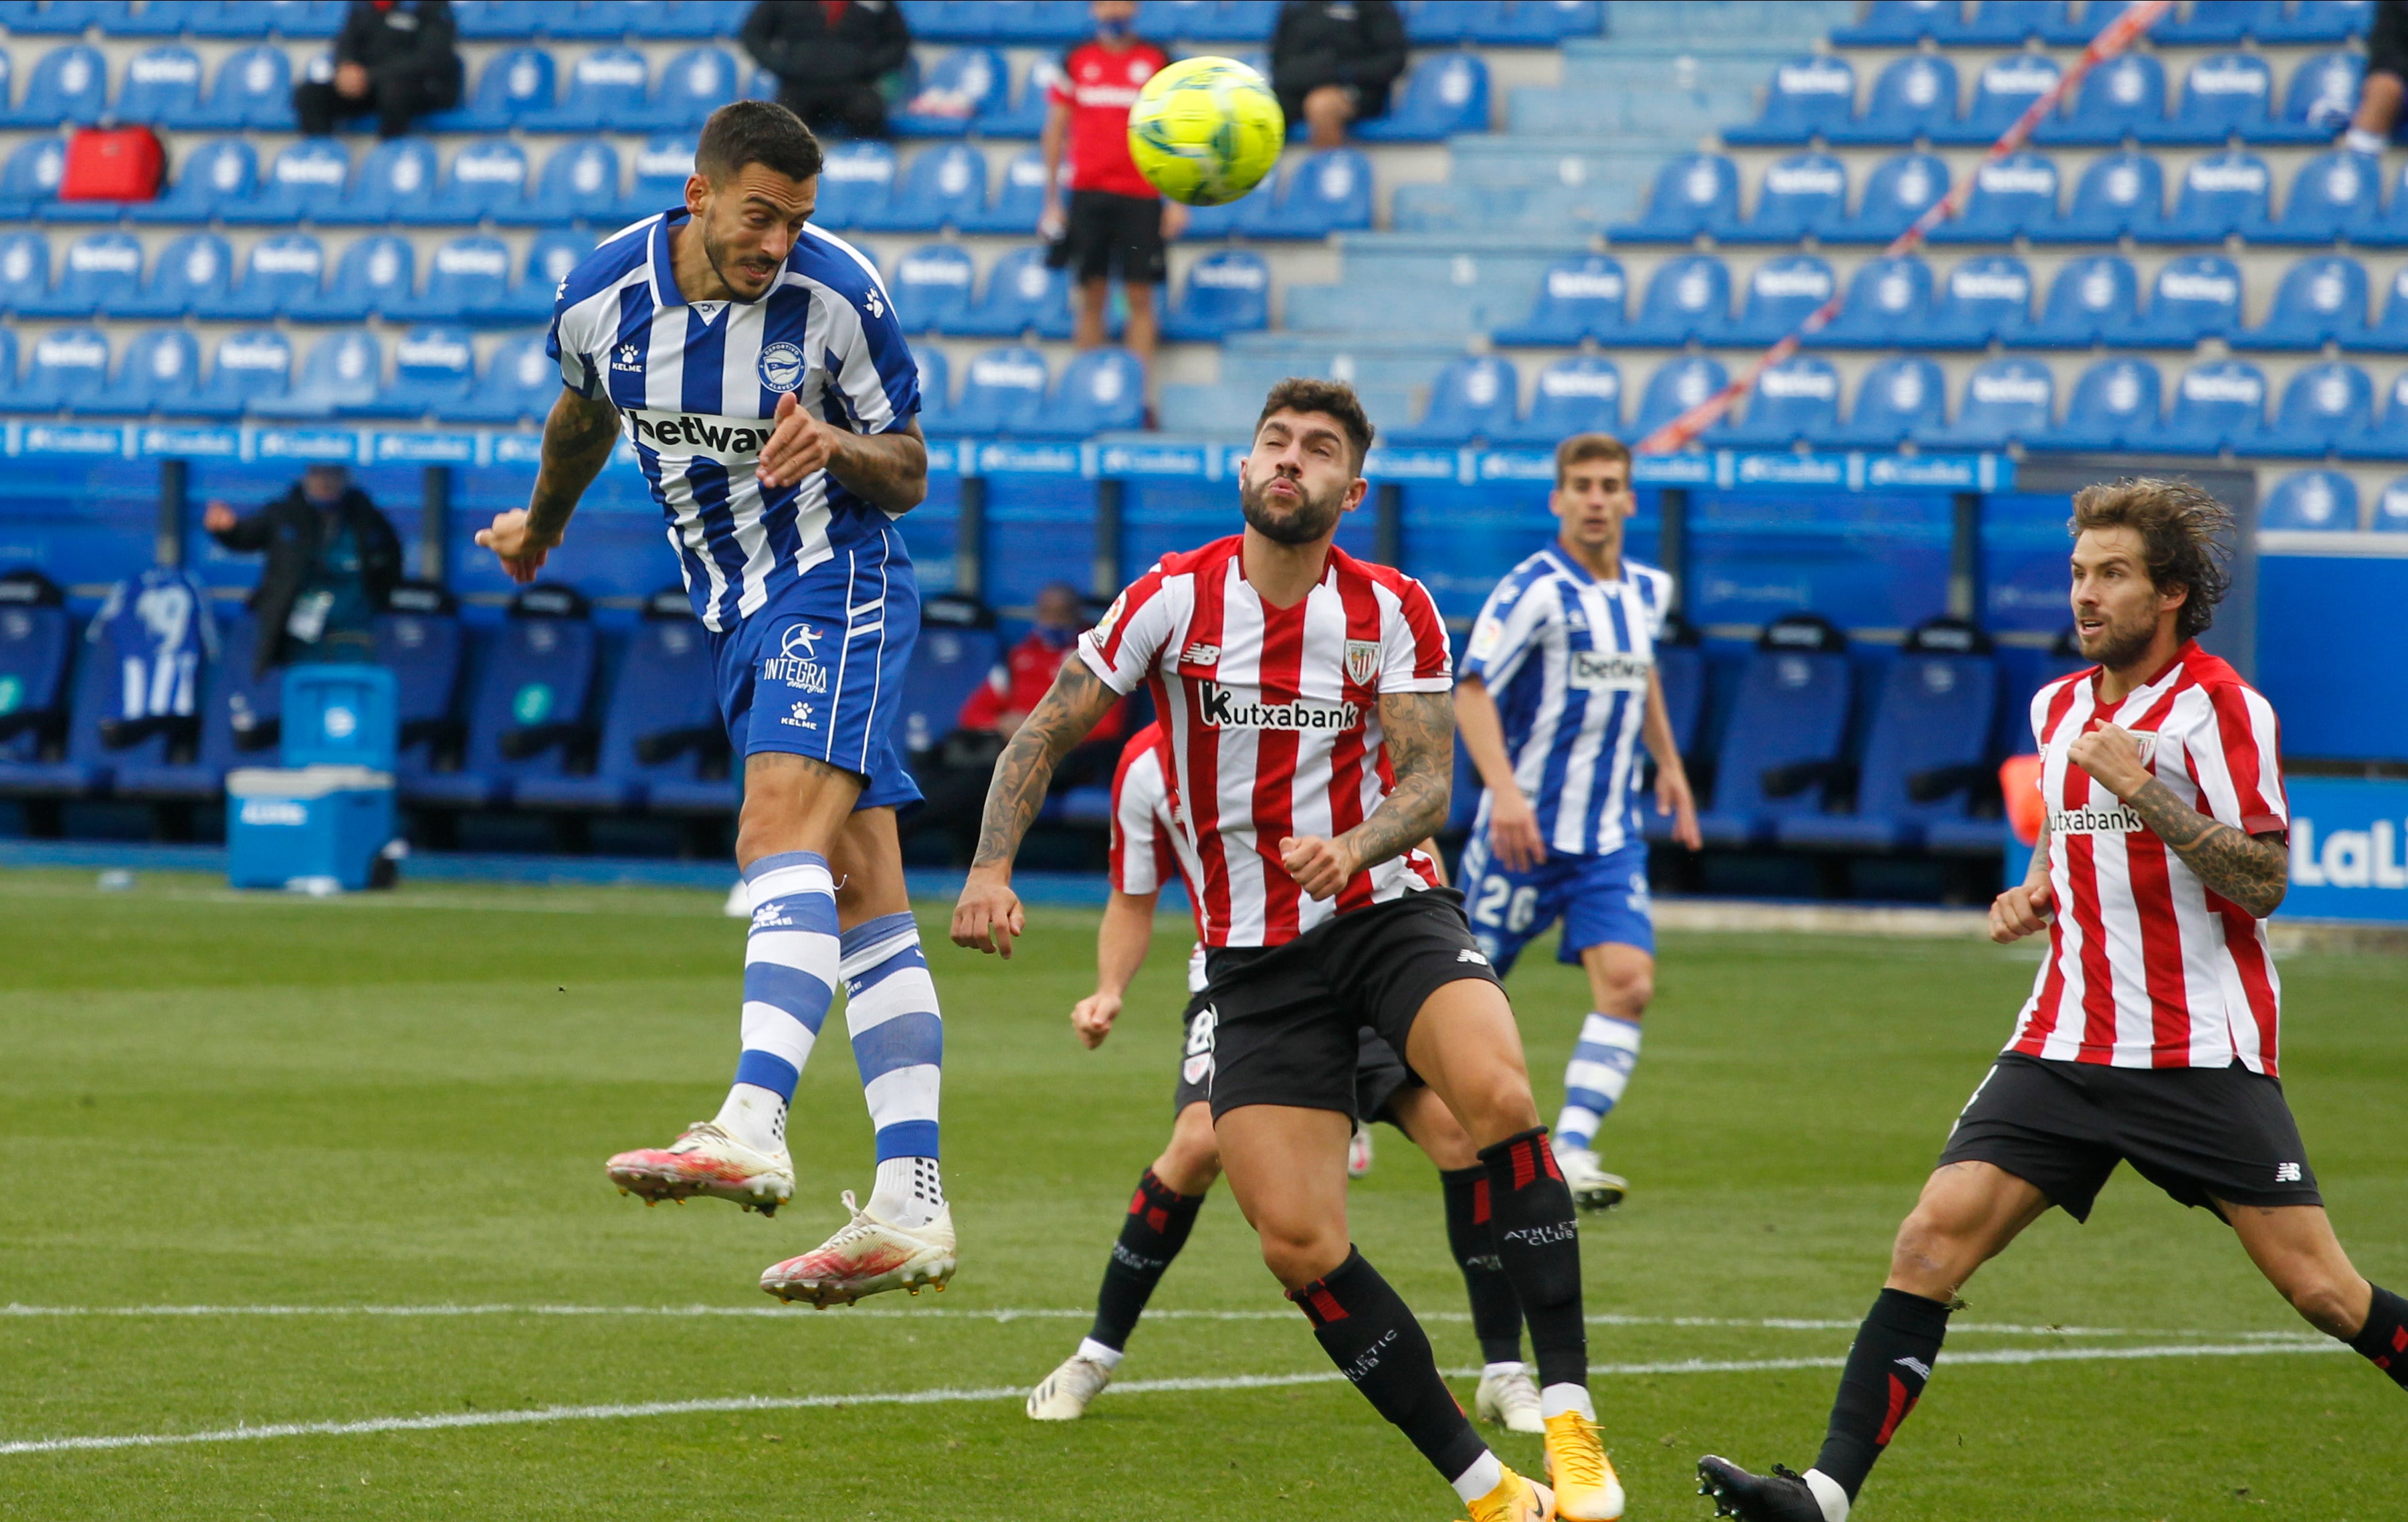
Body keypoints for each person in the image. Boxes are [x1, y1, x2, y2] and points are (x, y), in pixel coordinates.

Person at [954, 378, 1624, 1522]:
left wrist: (1350, 845)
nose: (1291, 459)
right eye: (1275, 440)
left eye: (1318, 450)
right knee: (1299, 1243)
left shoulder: (1395, 608)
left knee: (1500, 1095)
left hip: (1386, 913)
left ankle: (1568, 1419)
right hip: (1251, 961)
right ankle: (1492, 1494)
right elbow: (1049, 725)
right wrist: (988, 868)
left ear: (1349, 490)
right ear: (1245, 466)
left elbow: (1428, 780)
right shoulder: (1170, 598)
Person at [1698, 480, 2408, 1522]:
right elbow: (2067, 834)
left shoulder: (2221, 708)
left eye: (2111, 573)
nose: (2085, 594)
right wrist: (2038, 885)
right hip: (2065, 1039)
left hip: (2195, 1051)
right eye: (2079, 573)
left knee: (2323, 1290)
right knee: (1928, 1242)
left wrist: (2146, 789)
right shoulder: (2059, 705)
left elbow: (2264, 878)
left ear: (2168, 592)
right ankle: (1824, 1492)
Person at [473, 101, 954, 1310]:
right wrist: (544, 524)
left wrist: (837, 447)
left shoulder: (839, 298)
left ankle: (753, 1118)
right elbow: (583, 416)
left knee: (771, 835)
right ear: (700, 196)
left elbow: (912, 467)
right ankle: (910, 1202)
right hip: (737, 609)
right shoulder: (605, 295)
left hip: (835, 582)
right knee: (861, 893)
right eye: (759, 215)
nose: (779, 241)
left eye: (798, 219)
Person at [1025, 721, 1546, 1436]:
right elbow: (1133, 894)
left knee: (1460, 1135)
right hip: (1251, 979)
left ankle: (1504, 1370)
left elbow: (1413, 820)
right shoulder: (1148, 764)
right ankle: (1095, 1354)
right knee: (1197, 1146)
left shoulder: (1336, 706)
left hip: (1372, 952)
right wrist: (1109, 988)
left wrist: (1438, 934)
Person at [1453, 434, 1701, 1212]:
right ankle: (1356, 1098)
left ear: (1630, 500)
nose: (1597, 499)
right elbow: (1470, 688)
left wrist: (1669, 765)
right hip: (1518, 834)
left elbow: (1643, 677)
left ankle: (1573, 1145)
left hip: (1606, 836)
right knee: (1453, 994)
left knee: (1628, 983)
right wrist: (1508, 794)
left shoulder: (1646, 591)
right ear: (1558, 500)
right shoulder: (1532, 587)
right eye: (1583, 486)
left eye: (1610, 486)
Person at [902, 581, 1128, 862]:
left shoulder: (1095, 661)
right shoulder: (1020, 656)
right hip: (1008, 748)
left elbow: (1108, 727)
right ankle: (917, 835)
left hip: (1061, 758)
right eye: (1047, 613)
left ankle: (903, 829)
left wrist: (1039, 727)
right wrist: (1003, 724)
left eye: (1061, 614)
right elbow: (974, 713)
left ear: (1077, 616)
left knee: (985, 776)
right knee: (965, 773)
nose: (1053, 621)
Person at [1042, 0, 1183, 391]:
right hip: (1088, 195)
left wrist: (1175, 199)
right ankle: (1086, 393)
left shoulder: (1157, 59)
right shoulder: (1075, 60)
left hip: (1141, 195)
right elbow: (1056, 130)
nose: (1113, 9)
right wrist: (1052, 201)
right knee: (1092, 296)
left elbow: (1176, 131)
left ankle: (1137, 396)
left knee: (1140, 297)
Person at [203, 464, 403, 674]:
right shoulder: (284, 514)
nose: (325, 483)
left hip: (353, 631)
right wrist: (227, 530)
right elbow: (245, 536)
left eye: (332, 475)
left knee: (349, 691)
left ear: (345, 479)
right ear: (306, 478)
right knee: (303, 688)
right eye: (318, 475)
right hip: (300, 633)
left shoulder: (367, 517)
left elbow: (391, 563)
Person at [740, 0, 912, 141]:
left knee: (869, 115)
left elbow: (898, 42)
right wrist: (783, 66)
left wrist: (867, 67)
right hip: (798, 87)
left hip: (856, 86)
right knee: (780, 130)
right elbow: (753, 35)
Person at [294, 0, 462, 140]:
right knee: (309, 95)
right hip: (370, 86)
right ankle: (322, 158)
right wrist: (346, 67)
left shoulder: (431, 5)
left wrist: (370, 76)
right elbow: (347, 42)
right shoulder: (364, 5)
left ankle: (388, 159)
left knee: (394, 91)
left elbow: (432, 58)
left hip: (423, 86)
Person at [1270, 0, 1408, 149]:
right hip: (1301, 85)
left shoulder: (1373, 5)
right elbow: (1279, 59)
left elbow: (1394, 60)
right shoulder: (1297, 6)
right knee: (1260, 109)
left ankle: (1327, 168)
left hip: (1357, 87)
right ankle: (1262, 169)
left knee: (1321, 105)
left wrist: (1346, 72)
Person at [2340, 0, 2408, 154]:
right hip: (2402, 82)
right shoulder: (2395, 6)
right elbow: (2384, 55)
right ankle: (2357, 163)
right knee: (2383, 87)